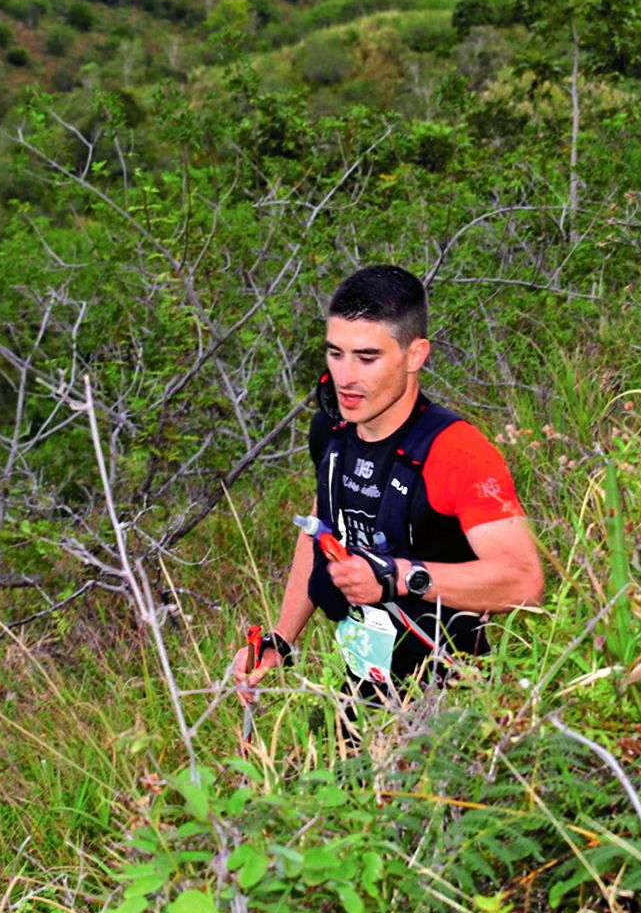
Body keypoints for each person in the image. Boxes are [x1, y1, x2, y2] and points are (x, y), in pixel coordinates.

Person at [232, 264, 543, 710]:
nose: (345, 377)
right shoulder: (332, 431)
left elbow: (525, 580)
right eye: (335, 353)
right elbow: (321, 527)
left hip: (452, 700)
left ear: (415, 355)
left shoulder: (457, 451)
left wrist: (397, 576)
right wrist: (280, 639)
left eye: (367, 358)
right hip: (359, 685)